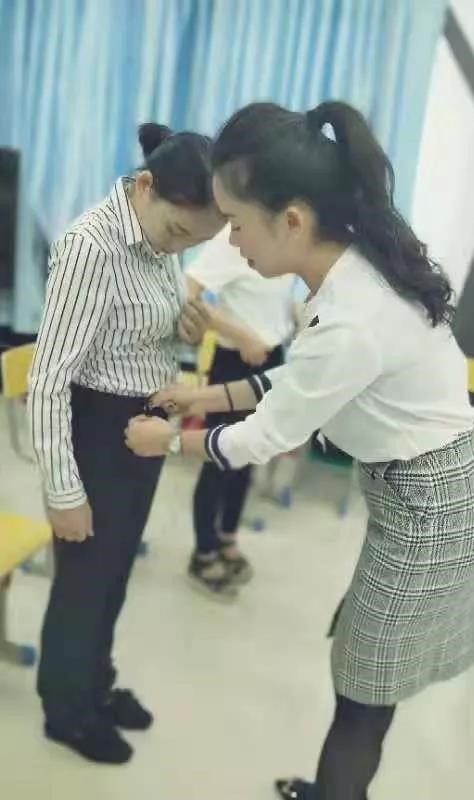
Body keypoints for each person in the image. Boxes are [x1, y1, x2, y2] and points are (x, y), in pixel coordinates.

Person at [125, 101, 474, 800]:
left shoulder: (353, 316)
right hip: (417, 497)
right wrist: (203, 396)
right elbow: (298, 377)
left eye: (236, 223)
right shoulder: (347, 277)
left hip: (432, 514)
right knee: (361, 674)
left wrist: (166, 439)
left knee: (363, 692)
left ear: (291, 221)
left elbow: (269, 433)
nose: (231, 241)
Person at [28, 123, 223, 765]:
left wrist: (185, 329)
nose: (180, 248)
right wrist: (63, 490)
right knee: (84, 579)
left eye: (195, 242)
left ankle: (95, 683)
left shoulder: (159, 236)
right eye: (179, 232)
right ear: (145, 187)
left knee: (113, 571)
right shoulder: (91, 247)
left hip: (143, 423)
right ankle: (66, 710)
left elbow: (134, 332)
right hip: (97, 428)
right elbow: (49, 379)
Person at [182, 227, 299, 599]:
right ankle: (203, 553)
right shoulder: (233, 238)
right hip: (235, 360)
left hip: (272, 358)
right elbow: (186, 293)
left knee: (250, 454)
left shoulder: (286, 237)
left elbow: (276, 298)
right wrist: (239, 334)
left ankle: (227, 536)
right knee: (220, 457)